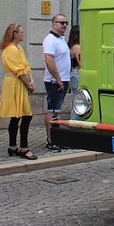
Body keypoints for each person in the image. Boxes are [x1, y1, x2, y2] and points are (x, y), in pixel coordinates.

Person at [0, 24, 37, 159]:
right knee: (25, 115)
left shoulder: (18, 48)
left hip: (20, 82)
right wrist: (29, 84)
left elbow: (25, 67)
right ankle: (24, 147)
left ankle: (13, 146)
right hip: (14, 83)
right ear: (14, 34)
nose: (23, 34)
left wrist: (31, 80)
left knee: (17, 115)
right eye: (21, 32)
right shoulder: (10, 50)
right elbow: (19, 71)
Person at [43, 14, 71, 151]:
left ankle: (58, 139)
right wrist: (58, 79)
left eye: (66, 23)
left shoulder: (61, 39)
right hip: (54, 80)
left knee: (56, 111)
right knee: (52, 110)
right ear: (54, 24)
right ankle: (51, 140)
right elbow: (49, 60)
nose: (64, 25)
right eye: (61, 23)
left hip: (63, 79)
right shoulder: (50, 40)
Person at [68, 25, 81, 119]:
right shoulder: (77, 47)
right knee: (78, 101)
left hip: (73, 74)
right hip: (77, 74)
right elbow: (81, 62)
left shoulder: (71, 46)